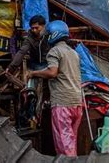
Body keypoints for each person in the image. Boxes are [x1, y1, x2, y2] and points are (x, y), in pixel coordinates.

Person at [26, 20, 82, 156]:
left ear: (53, 35)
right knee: (71, 140)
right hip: (77, 102)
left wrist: (33, 73)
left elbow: (52, 72)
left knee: (64, 144)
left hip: (62, 103)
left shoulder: (54, 52)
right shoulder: (73, 53)